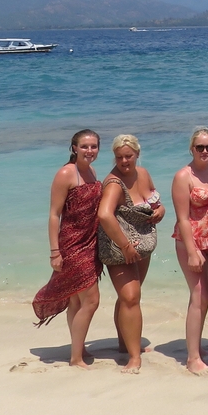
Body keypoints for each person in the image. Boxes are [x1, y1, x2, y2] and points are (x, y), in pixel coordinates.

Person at [32, 129, 103, 368]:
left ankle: (78, 348)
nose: (89, 151)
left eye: (93, 146)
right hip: (72, 245)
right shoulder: (66, 173)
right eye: (84, 146)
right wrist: (55, 252)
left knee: (76, 302)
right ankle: (75, 358)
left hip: (90, 242)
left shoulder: (92, 172)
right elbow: (54, 215)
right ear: (74, 148)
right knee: (91, 301)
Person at [98, 134, 164, 374]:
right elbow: (104, 215)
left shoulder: (143, 173)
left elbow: (154, 199)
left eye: (129, 156)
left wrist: (161, 210)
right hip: (120, 248)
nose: (124, 161)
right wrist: (125, 246)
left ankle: (125, 344)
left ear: (137, 154)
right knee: (131, 297)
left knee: (129, 298)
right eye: (119, 157)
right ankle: (134, 358)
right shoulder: (115, 183)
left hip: (141, 244)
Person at [170, 126, 208, 374]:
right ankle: (192, 358)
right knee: (199, 295)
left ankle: (197, 347)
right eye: (200, 147)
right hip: (190, 241)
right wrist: (193, 252)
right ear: (191, 149)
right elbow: (182, 218)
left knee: (206, 296)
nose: (205, 151)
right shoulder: (184, 176)